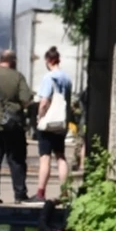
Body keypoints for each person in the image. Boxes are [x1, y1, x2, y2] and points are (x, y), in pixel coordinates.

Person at [0, 50, 32, 204]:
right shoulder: (17, 76)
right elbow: (26, 99)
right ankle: (19, 194)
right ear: (13, 61)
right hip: (12, 125)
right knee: (16, 160)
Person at [35, 46, 73, 201]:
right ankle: (64, 193)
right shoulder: (67, 78)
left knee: (45, 157)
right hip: (62, 122)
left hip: (49, 123)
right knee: (60, 156)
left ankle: (40, 193)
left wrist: (40, 117)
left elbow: (44, 102)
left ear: (48, 60)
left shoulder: (49, 77)